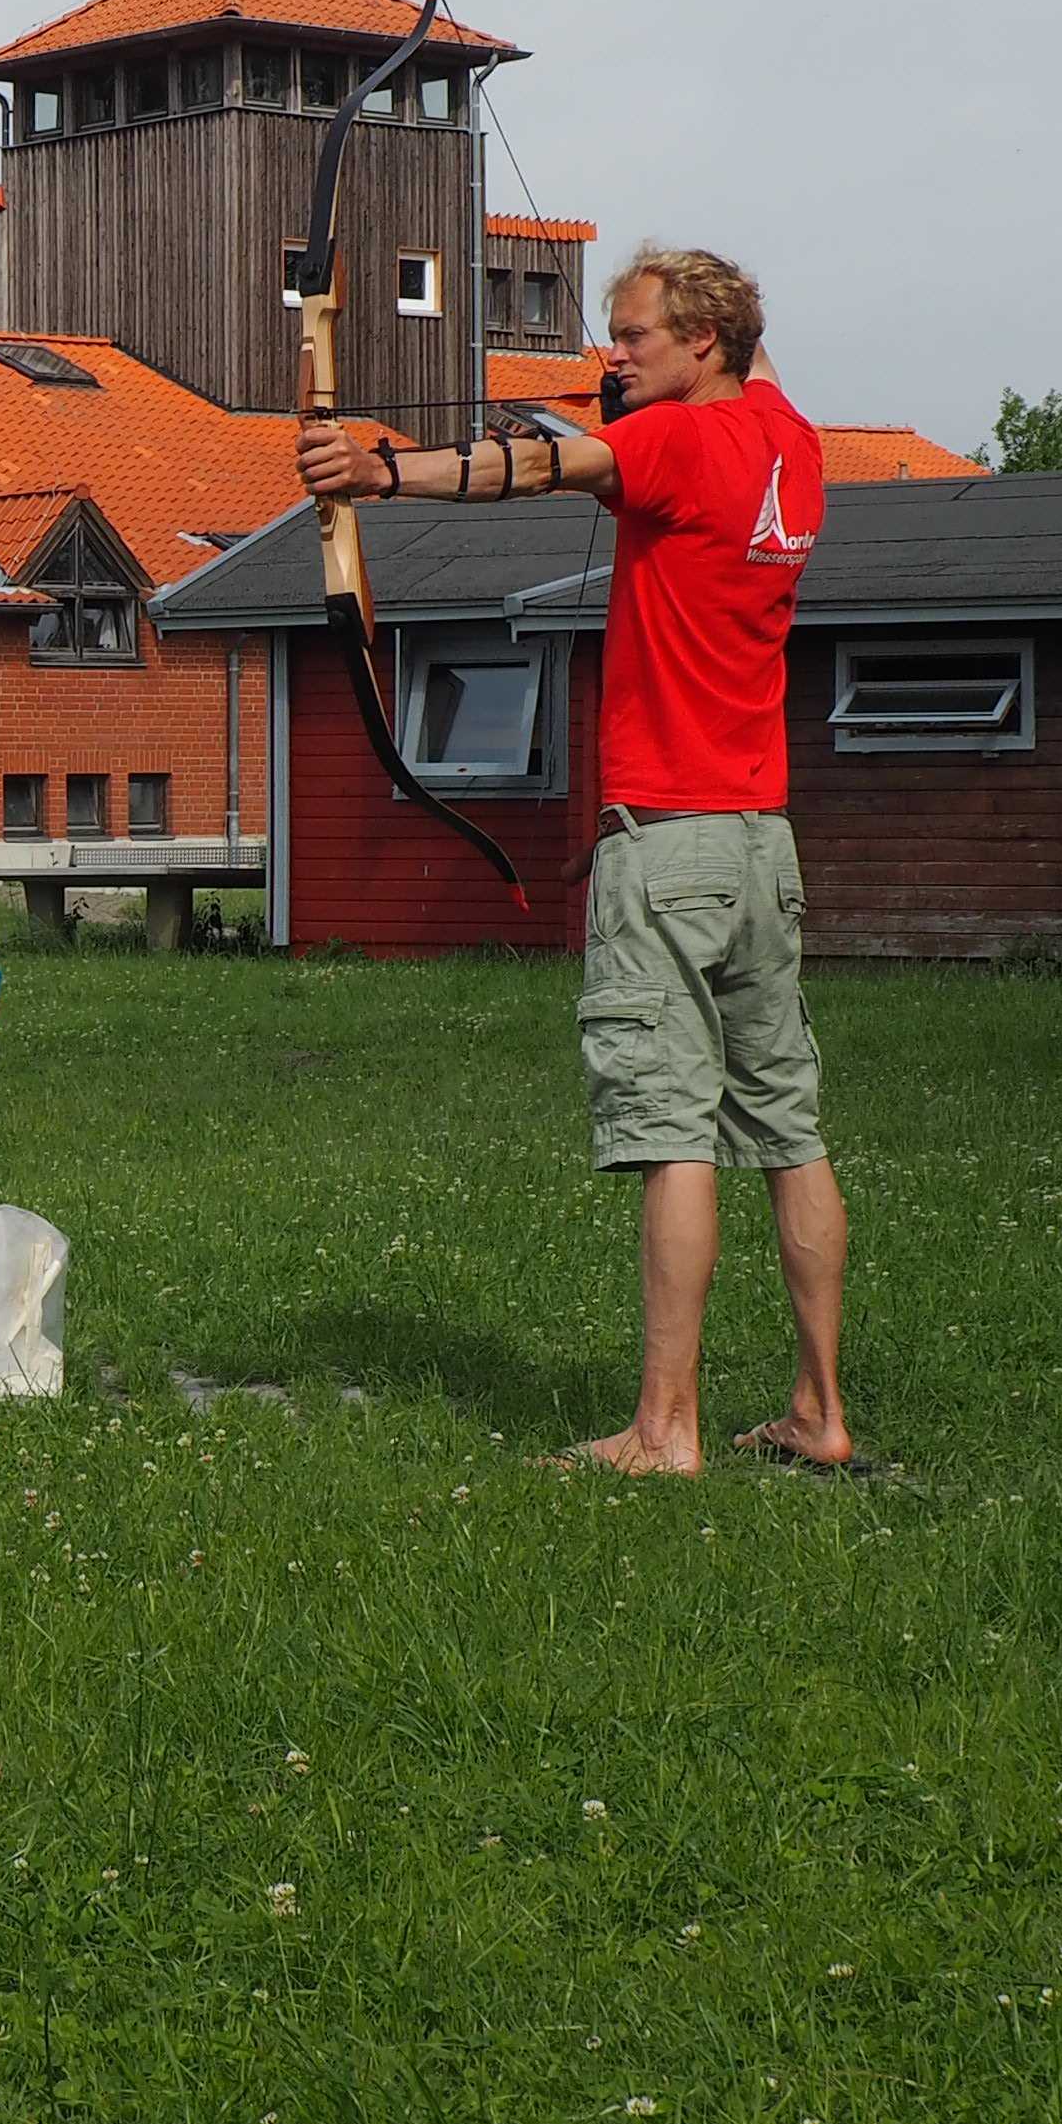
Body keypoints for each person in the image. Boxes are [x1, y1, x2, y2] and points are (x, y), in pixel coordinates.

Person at [291, 244, 855, 1475]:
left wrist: (376, 473)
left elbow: (534, 466)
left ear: (702, 341)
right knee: (789, 1131)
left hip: (668, 845)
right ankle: (821, 1413)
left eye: (636, 335)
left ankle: (664, 1431)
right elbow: (713, 381)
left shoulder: (673, 443)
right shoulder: (791, 442)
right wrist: (663, 363)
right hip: (761, 845)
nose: (616, 355)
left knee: (674, 1135)